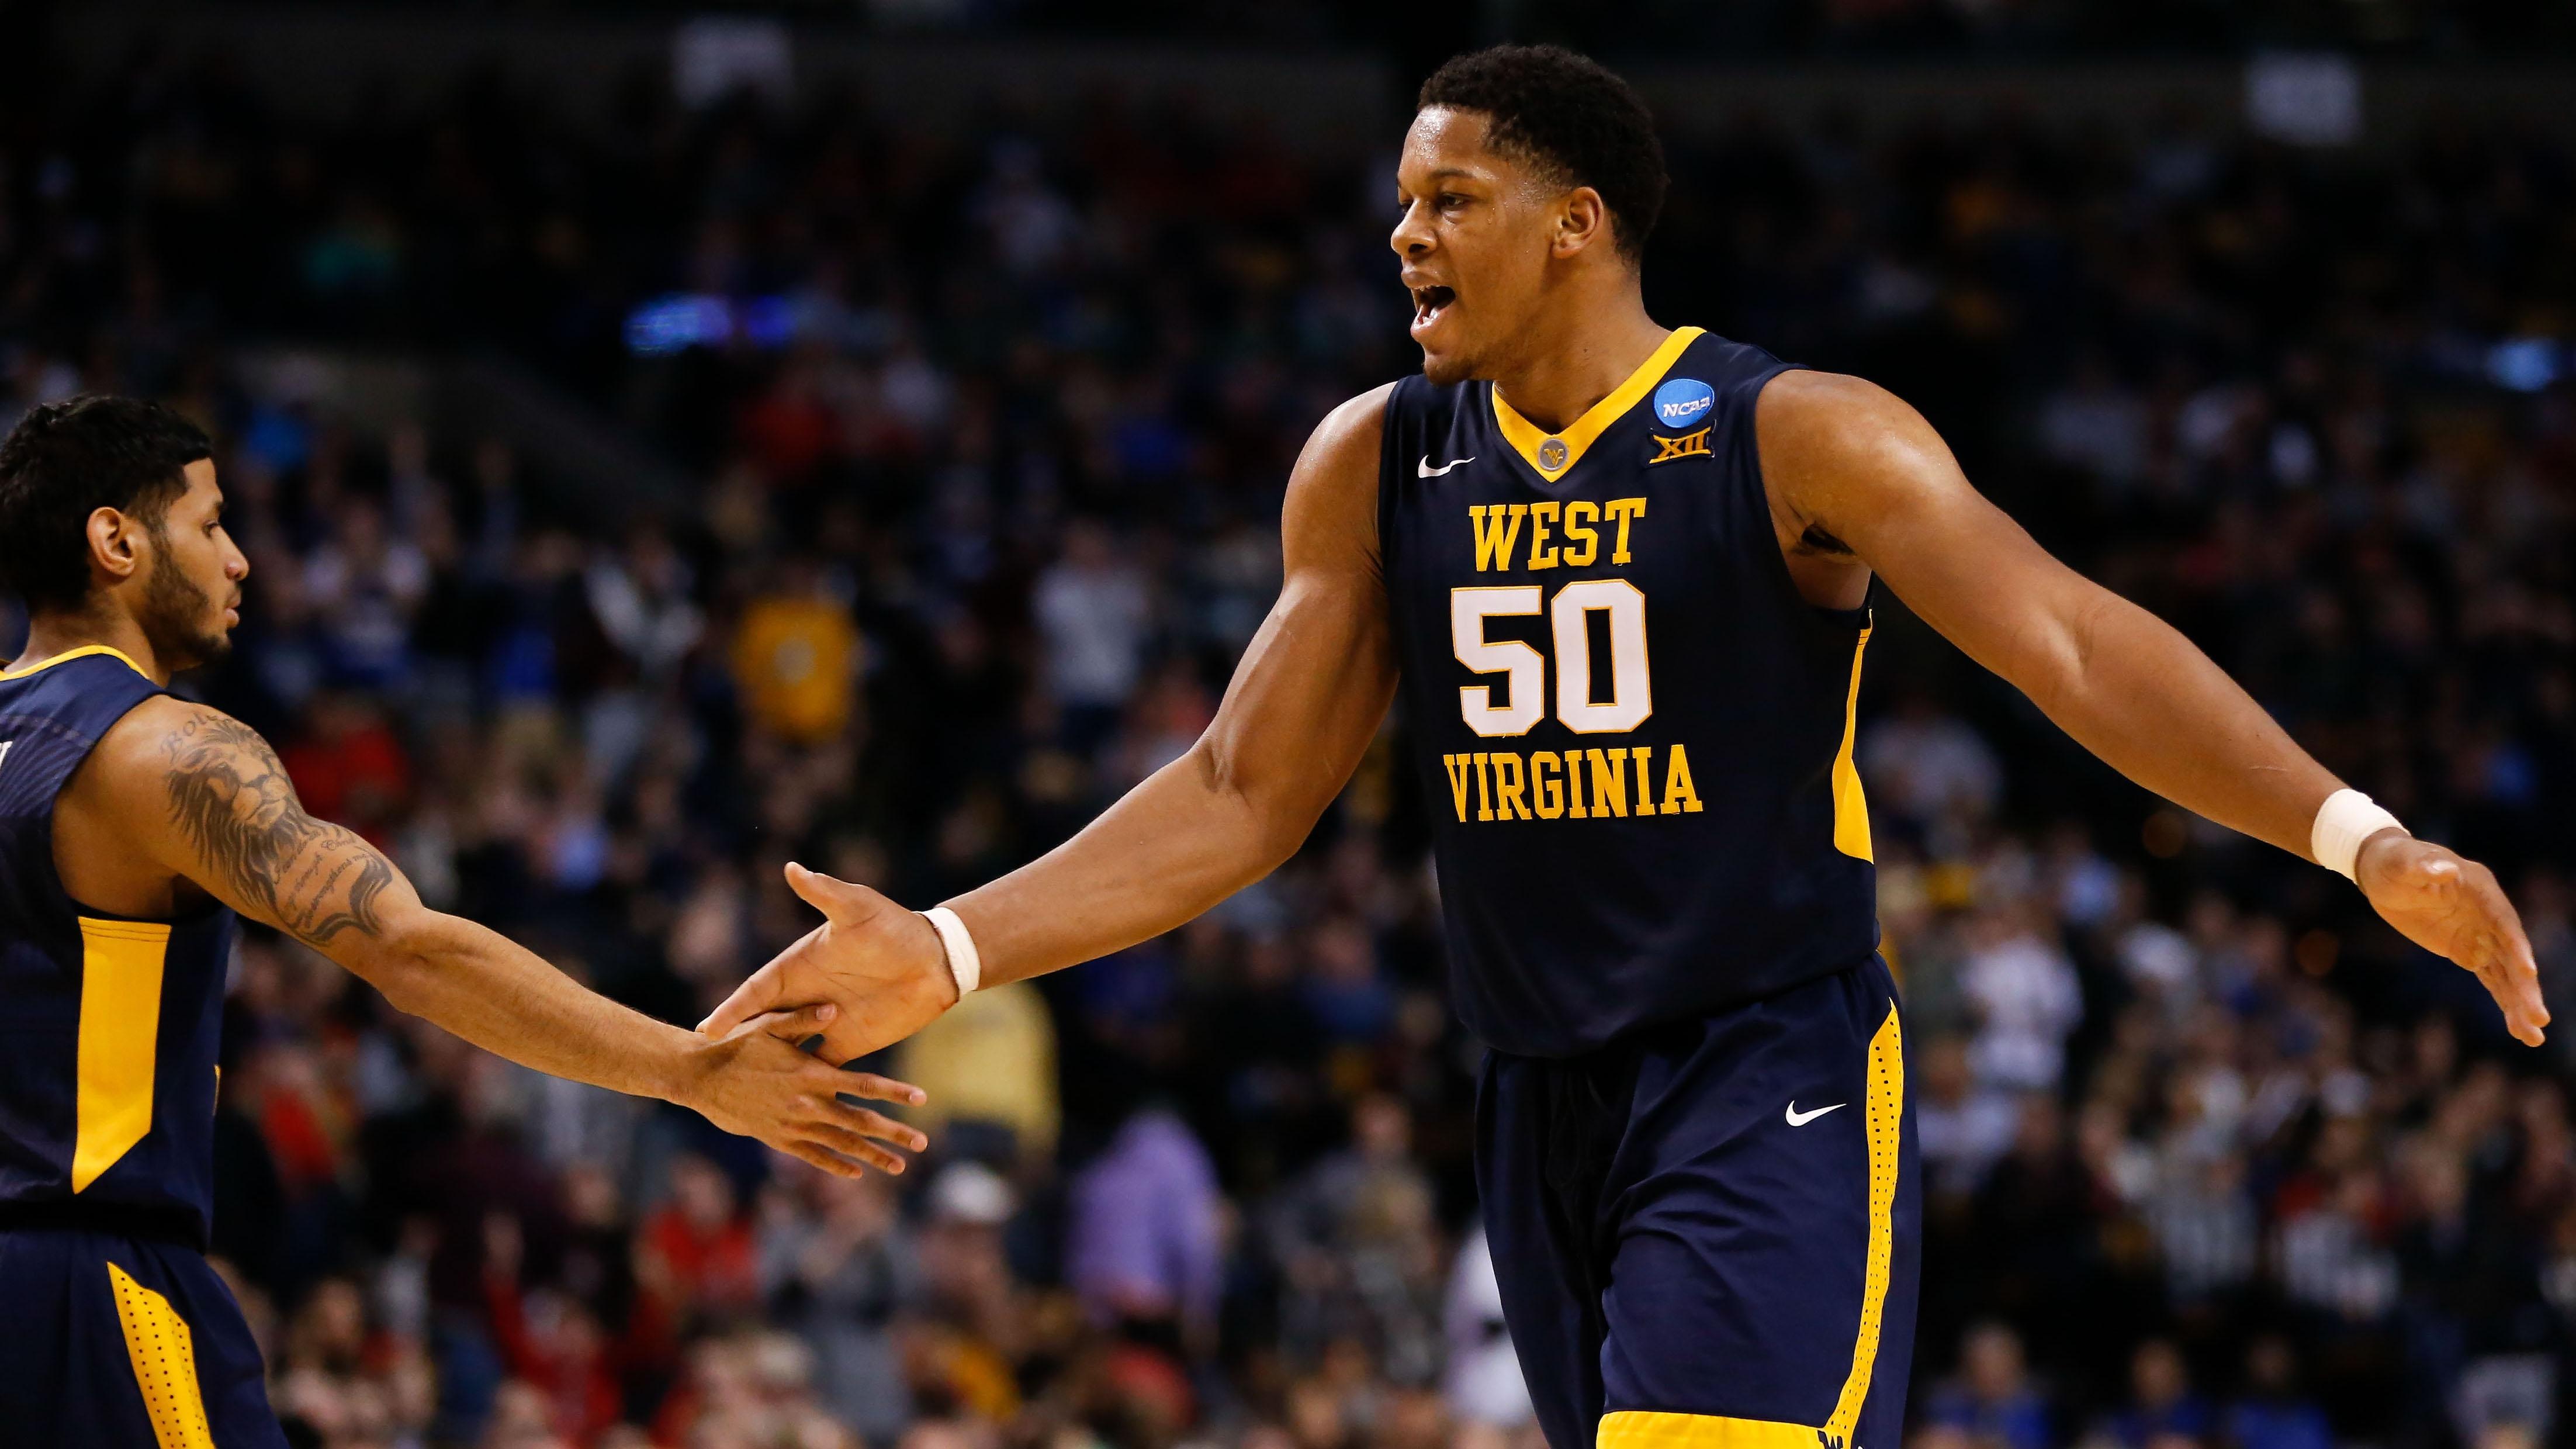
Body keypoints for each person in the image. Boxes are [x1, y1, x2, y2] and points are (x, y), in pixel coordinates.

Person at [701, 44, 2549, 1449]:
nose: (1402, 235)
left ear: (1576, 222)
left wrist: (2361, 841)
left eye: (1449, 201)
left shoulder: (1796, 435)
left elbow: (2068, 639)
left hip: (1768, 1060)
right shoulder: (1378, 459)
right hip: (1537, 1095)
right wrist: (942, 946)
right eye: (1402, 204)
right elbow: (1241, 792)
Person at [0, 396, 929, 1445]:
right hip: (84, 1283)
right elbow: (408, 948)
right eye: (210, 525)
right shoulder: (158, 751)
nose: (241, 560)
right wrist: (692, 1071)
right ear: (115, 539)